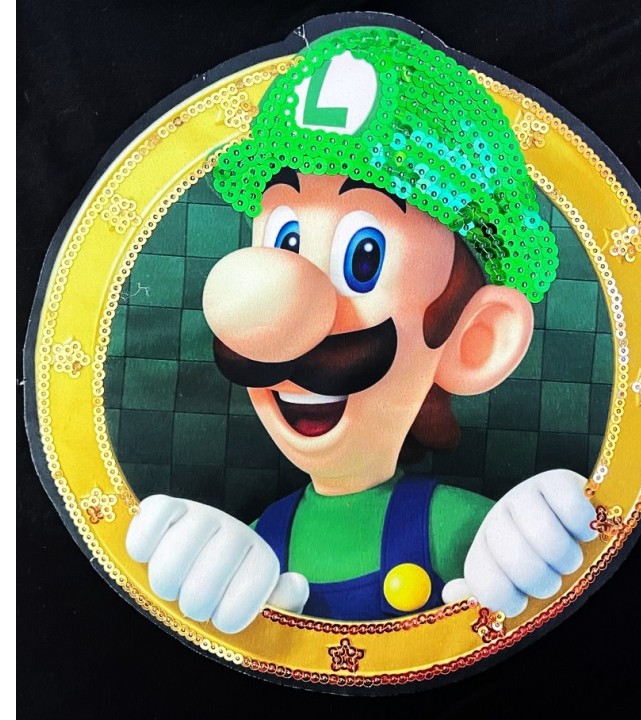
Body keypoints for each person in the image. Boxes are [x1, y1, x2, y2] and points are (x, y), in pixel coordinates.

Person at [126, 27, 597, 631]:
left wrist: (529, 543)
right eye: (286, 242)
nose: (288, 320)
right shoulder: (264, 537)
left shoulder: (448, 527)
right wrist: (206, 575)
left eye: (363, 258)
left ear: (476, 340)